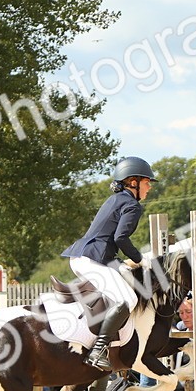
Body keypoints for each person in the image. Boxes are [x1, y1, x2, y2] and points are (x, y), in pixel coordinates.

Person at [61, 156, 156, 370]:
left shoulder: (117, 199)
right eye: (147, 182)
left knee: (125, 288)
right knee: (127, 300)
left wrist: (121, 264)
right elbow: (120, 238)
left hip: (90, 256)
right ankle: (98, 350)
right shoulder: (131, 205)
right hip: (92, 258)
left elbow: (107, 240)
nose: (149, 187)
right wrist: (141, 259)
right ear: (133, 181)